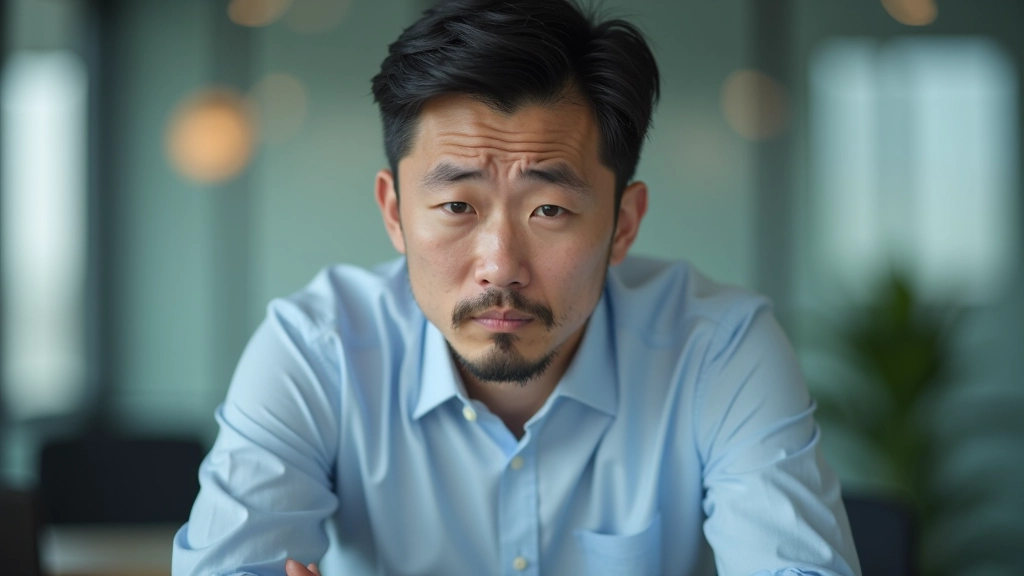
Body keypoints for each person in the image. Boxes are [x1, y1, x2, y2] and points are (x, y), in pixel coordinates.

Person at [172, 0, 861, 574]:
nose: (500, 265)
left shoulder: (717, 348)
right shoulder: (315, 350)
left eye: (550, 210)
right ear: (395, 213)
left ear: (622, 224)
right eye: (456, 206)